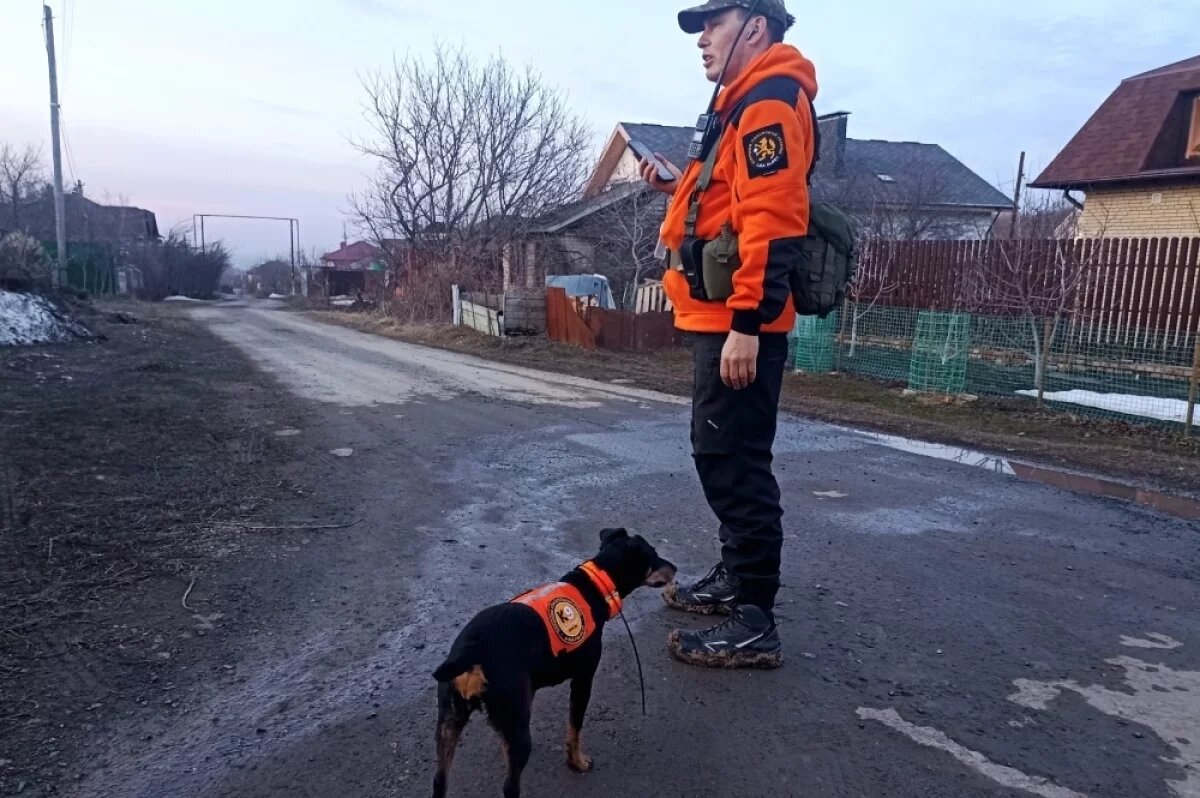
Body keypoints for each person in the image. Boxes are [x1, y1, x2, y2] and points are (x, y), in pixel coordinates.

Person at [638, 0, 817, 669]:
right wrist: (668, 184)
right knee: (720, 454)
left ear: (756, 26)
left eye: (713, 25)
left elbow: (775, 219)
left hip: (738, 324)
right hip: (717, 318)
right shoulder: (740, 106)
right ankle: (737, 579)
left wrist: (748, 322)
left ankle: (754, 620)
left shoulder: (768, 102)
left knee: (735, 463)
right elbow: (723, 199)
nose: (702, 41)